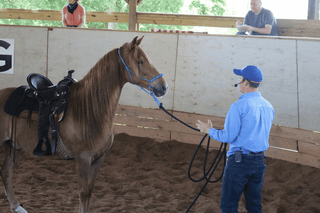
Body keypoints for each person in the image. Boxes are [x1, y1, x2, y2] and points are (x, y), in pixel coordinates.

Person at [196, 65, 274, 212]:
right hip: (259, 161)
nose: (239, 81)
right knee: (254, 203)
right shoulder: (268, 106)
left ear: (245, 82)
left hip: (239, 161)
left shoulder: (238, 106)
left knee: (229, 204)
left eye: (240, 78)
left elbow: (229, 137)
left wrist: (209, 131)